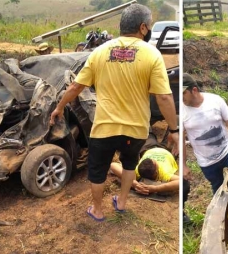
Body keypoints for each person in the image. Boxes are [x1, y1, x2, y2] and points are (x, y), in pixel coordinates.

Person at [50, 3, 179, 222]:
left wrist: (59, 107)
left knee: (98, 170)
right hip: (136, 129)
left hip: (104, 128)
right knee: (129, 164)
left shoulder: (99, 52)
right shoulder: (152, 54)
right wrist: (174, 129)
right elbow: (164, 97)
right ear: (143, 28)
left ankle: (98, 210)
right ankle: (121, 202)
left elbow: (75, 87)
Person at [182, 73, 228, 194]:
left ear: (194, 90)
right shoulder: (182, 111)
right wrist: (183, 165)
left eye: (183, 93)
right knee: (219, 191)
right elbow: (181, 140)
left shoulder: (214, 100)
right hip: (206, 161)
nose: (180, 97)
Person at [109, 147, 179, 195]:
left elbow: (113, 165)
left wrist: (155, 188)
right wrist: (133, 183)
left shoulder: (163, 172)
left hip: (149, 150)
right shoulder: (164, 173)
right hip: (160, 151)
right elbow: (113, 165)